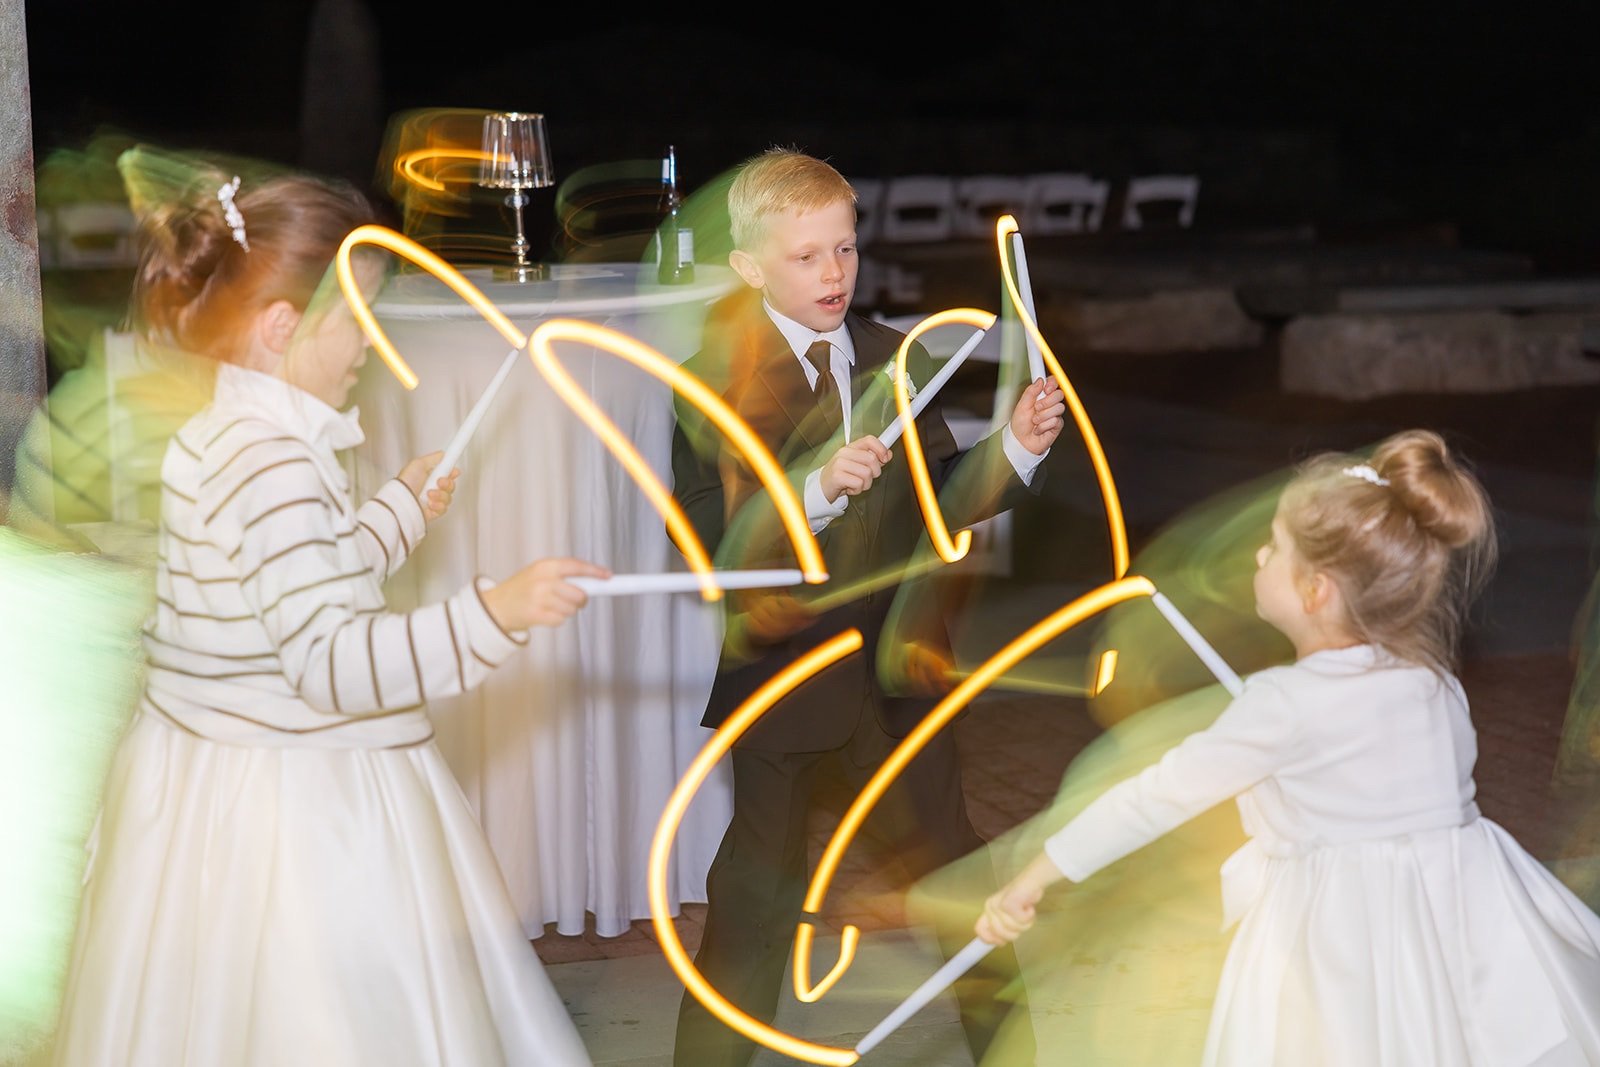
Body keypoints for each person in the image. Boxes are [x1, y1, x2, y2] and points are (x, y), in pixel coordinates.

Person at [47, 148, 608, 1066]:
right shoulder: (272, 462)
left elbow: (300, 580)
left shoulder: (231, 433)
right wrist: (494, 612)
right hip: (291, 802)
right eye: (359, 318)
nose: (371, 343)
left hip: (209, 770)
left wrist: (399, 508)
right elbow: (331, 662)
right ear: (280, 326)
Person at [976, 429, 1600, 1065]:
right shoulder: (1434, 683)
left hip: (1336, 933)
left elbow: (1156, 797)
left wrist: (1040, 872)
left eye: (1274, 548)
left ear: (1315, 590)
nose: (1258, 556)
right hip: (1460, 913)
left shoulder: (1283, 704)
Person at [669, 146, 1066, 1067]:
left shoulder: (896, 356)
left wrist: (1015, 446)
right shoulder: (710, 379)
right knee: (753, 910)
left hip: (897, 680)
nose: (834, 273)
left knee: (964, 891)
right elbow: (702, 535)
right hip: (783, 686)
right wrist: (810, 491)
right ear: (749, 266)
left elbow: (944, 499)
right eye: (807, 256)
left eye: (845, 248)